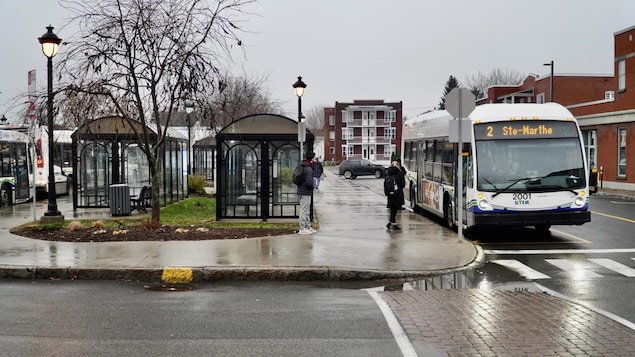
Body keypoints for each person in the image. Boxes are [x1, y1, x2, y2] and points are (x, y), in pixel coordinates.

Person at [297, 152, 316, 235]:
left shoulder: (303, 166)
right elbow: (309, 182)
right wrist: (313, 186)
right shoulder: (308, 169)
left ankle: (308, 227)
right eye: (313, 158)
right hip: (305, 191)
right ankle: (302, 228)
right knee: (304, 210)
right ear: (311, 159)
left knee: (306, 210)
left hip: (302, 190)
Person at [385, 165, 405, 230]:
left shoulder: (388, 174)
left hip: (390, 195)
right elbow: (403, 185)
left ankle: (391, 222)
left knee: (392, 209)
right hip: (398, 194)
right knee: (395, 209)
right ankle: (393, 223)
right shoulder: (399, 174)